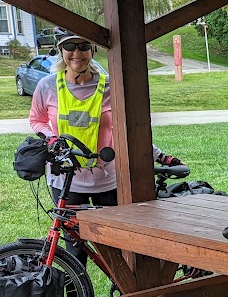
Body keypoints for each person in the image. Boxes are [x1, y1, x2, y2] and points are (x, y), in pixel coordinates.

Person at [27, 29, 181, 208]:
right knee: (72, 235)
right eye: (69, 46)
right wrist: (51, 138)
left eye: (84, 46)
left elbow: (129, 130)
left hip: (108, 181)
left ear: (93, 50)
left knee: (111, 235)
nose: (77, 53)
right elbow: (36, 120)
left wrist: (161, 157)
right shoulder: (47, 86)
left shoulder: (112, 87)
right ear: (61, 50)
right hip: (65, 180)